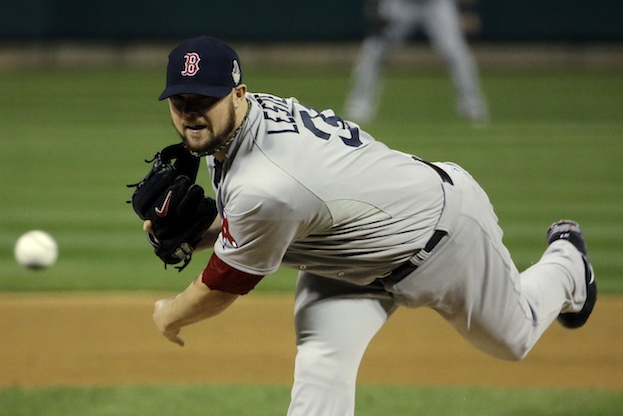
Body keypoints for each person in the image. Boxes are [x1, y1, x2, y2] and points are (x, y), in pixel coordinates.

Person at [147, 36, 596, 416]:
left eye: (205, 99)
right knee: (322, 365)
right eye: (181, 101)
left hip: (442, 236)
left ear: (239, 94)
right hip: (347, 262)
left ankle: (568, 261)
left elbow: (224, 284)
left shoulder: (268, 183)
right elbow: (268, 222)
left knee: (513, 339)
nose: (190, 114)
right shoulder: (240, 131)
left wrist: (168, 315)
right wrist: (201, 233)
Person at [344, 0, 489, 124]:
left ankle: (472, 105)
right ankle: (359, 105)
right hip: (399, 4)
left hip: (436, 4)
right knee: (375, 50)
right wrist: (376, 8)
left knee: (455, 52)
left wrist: (467, 10)